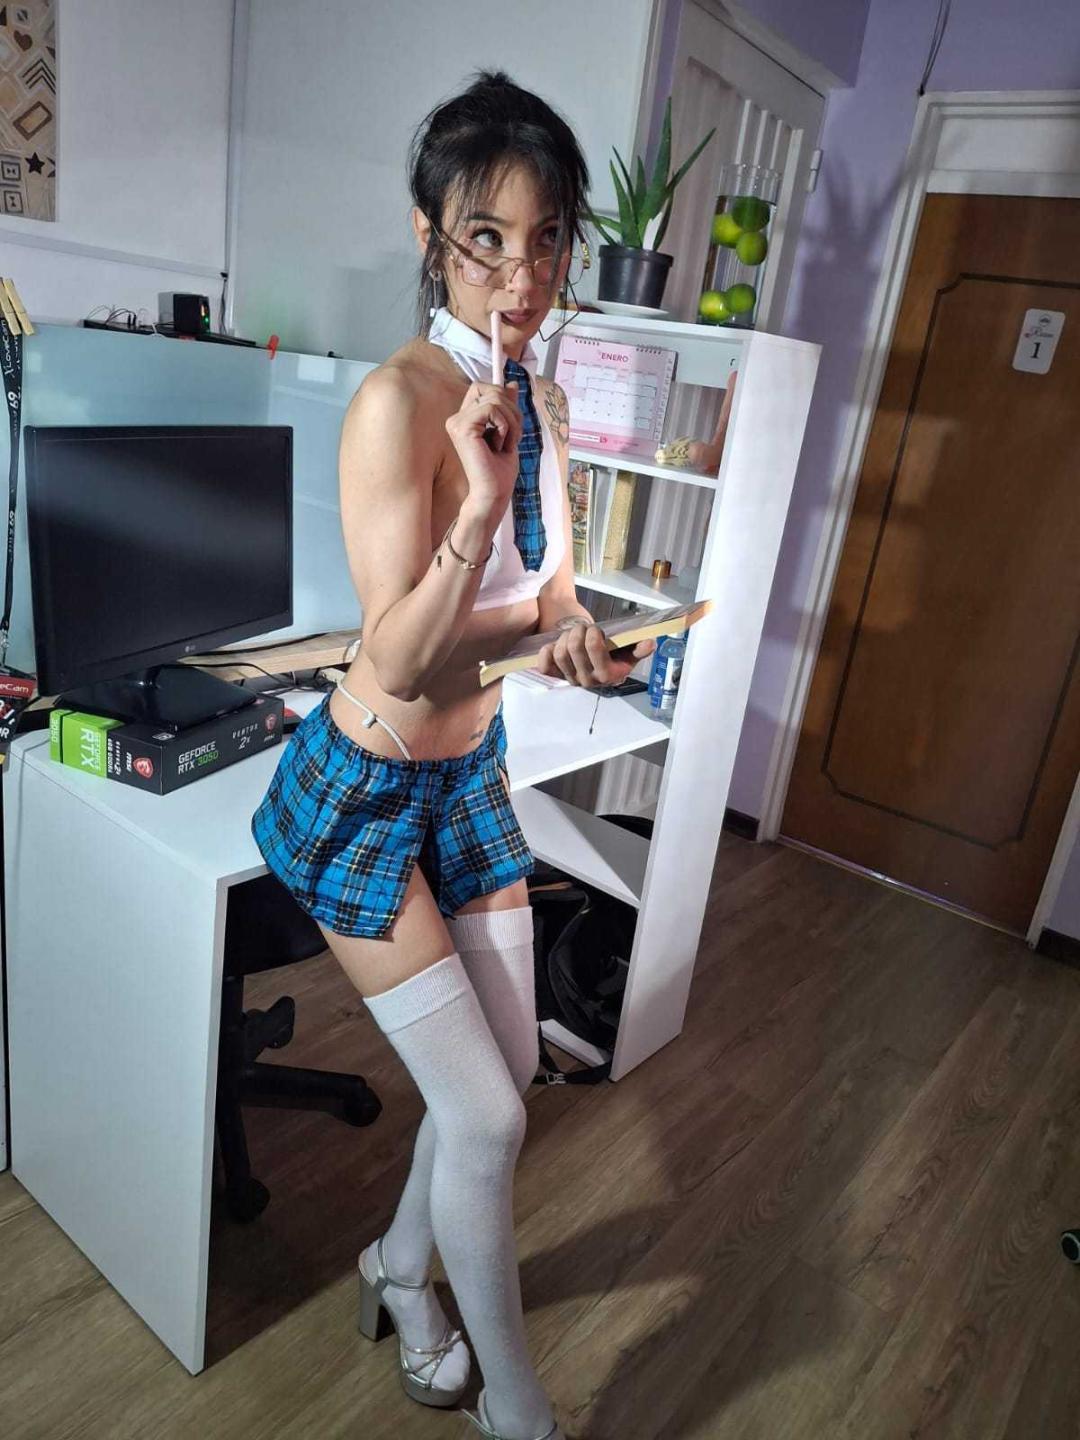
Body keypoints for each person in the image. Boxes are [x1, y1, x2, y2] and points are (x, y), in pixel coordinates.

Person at [252, 70, 653, 1440]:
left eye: (548, 241)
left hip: (466, 780)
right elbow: (404, 657)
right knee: (484, 1122)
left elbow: (544, 604)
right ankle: (519, 1411)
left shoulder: (533, 399)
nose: (523, 277)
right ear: (431, 233)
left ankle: (396, 1266)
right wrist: (476, 505)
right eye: (489, 238)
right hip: (362, 793)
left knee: (508, 1076)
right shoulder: (396, 401)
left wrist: (579, 635)